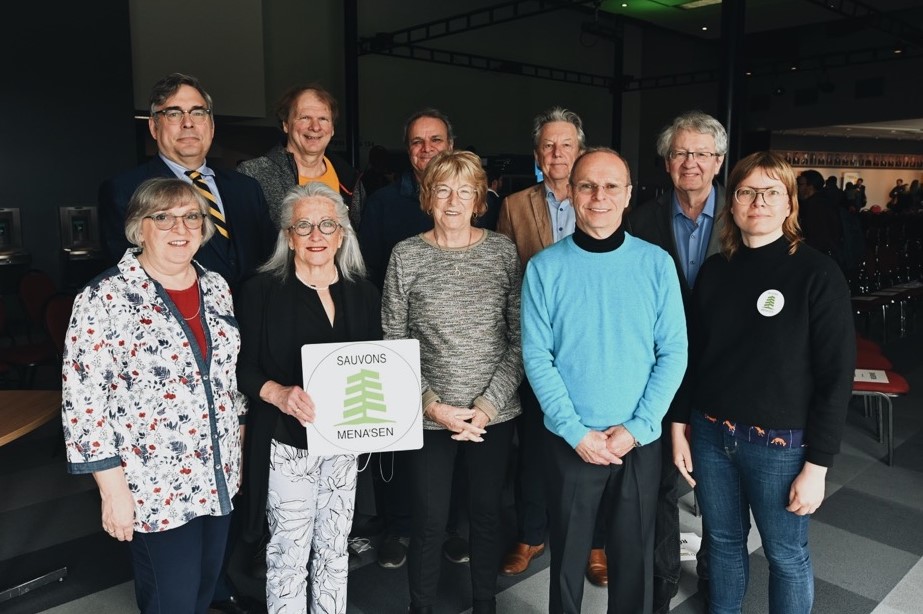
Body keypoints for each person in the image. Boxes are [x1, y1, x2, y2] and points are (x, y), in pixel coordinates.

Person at [671, 151, 855, 614]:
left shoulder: (818, 273)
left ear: (789, 204)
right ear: (731, 204)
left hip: (780, 446)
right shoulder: (715, 271)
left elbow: (836, 377)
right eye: (747, 192)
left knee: (786, 556)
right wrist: (679, 425)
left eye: (772, 191)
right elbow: (693, 357)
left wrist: (818, 466)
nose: (759, 201)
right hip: (711, 435)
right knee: (724, 545)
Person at [62, 178, 247, 614]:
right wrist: (113, 492)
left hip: (216, 474)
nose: (178, 227)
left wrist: (237, 432)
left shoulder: (216, 285)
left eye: (190, 217)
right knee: (172, 600)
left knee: (205, 586)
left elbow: (226, 375)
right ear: (138, 228)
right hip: (154, 486)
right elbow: (83, 402)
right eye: (161, 217)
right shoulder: (104, 297)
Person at [521, 148, 687, 614]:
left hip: (638, 440)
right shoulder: (545, 268)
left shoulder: (656, 265)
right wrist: (575, 431)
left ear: (629, 194)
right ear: (571, 193)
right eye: (588, 185)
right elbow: (536, 356)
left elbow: (673, 353)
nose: (599, 196)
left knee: (633, 557)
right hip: (571, 439)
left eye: (612, 186)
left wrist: (637, 427)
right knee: (568, 560)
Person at [382, 150, 522, 614]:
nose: (454, 200)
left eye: (466, 191)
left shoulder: (503, 251)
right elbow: (392, 340)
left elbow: (520, 338)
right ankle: (420, 606)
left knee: (485, 517)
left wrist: (487, 406)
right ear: (428, 197)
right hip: (428, 417)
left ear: (480, 199)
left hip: (493, 414)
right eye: (443, 189)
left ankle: (485, 603)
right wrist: (432, 405)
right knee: (428, 521)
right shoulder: (406, 255)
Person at [235, 182, 381, 614]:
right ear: (287, 236)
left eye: (326, 225)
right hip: (285, 441)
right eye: (303, 226)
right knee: (288, 553)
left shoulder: (364, 293)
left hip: (343, 445)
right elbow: (240, 367)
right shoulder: (260, 291)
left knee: (336, 550)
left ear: (341, 234)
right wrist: (276, 393)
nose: (316, 235)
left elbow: (378, 366)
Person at [497, 106, 609, 587]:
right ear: (537, 153)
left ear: (579, 150)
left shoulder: (599, 200)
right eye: (548, 145)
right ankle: (532, 532)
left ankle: (597, 541)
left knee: (599, 441)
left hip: (592, 345)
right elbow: (504, 275)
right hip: (535, 345)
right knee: (536, 447)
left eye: (566, 144)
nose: (557, 153)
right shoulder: (514, 204)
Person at [359, 108, 470, 570]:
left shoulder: (471, 198)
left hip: (459, 347)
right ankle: (398, 528)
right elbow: (368, 273)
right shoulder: (385, 203)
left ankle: (450, 530)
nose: (426, 150)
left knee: (456, 445)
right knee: (400, 446)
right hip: (400, 341)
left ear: (451, 144)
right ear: (408, 151)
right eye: (417, 143)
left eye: (435, 140)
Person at [625, 109, 726, 613]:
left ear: (719, 161)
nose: (691, 163)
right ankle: (661, 580)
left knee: (720, 484)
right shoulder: (639, 221)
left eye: (702, 154)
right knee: (661, 482)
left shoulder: (742, 217)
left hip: (726, 371)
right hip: (658, 370)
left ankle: (716, 573)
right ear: (667, 163)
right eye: (681, 153)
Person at [99, 72, 275, 297]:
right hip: (180, 324)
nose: (188, 123)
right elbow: (129, 278)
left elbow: (269, 261)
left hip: (253, 323)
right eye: (173, 114)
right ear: (154, 127)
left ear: (211, 126)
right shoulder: (124, 191)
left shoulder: (247, 188)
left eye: (198, 112)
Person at [237, 83, 365, 230]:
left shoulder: (350, 180)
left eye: (323, 119)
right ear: (285, 124)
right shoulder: (253, 174)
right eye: (305, 117)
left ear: (332, 128)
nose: (315, 127)